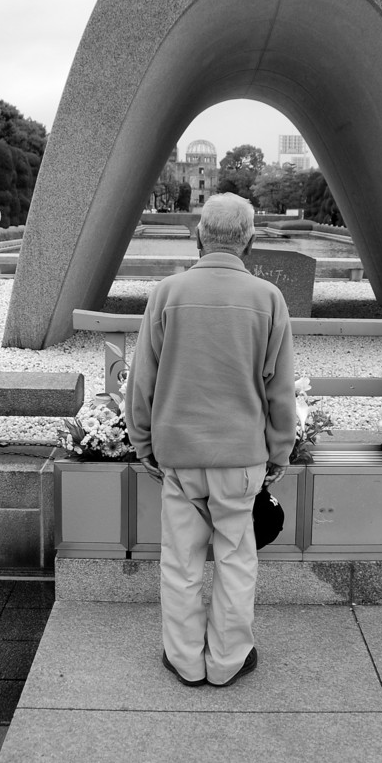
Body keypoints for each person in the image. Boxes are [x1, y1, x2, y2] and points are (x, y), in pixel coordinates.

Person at [125, 193, 296, 687]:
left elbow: (143, 381)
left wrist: (143, 443)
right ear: (251, 240)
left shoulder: (167, 293)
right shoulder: (267, 299)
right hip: (241, 457)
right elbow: (279, 389)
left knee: (180, 561)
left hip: (178, 453)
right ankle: (227, 661)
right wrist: (279, 451)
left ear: (197, 236)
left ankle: (183, 659)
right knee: (236, 560)